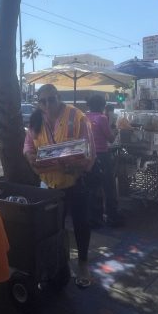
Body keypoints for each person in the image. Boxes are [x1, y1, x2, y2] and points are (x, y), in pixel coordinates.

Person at [24, 84, 96, 287]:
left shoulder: (76, 116)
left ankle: (83, 265)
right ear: (38, 102)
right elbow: (29, 146)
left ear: (59, 98)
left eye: (52, 99)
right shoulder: (36, 120)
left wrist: (76, 166)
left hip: (75, 182)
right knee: (53, 229)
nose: (47, 104)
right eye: (42, 101)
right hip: (49, 186)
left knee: (81, 224)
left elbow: (89, 152)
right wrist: (31, 158)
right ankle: (58, 266)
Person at [86, 95, 124, 228]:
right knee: (109, 187)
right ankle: (112, 217)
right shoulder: (101, 118)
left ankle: (95, 218)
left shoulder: (85, 117)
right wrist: (118, 131)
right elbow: (111, 139)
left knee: (94, 188)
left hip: (89, 156)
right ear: (102, 106)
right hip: (102, 155)